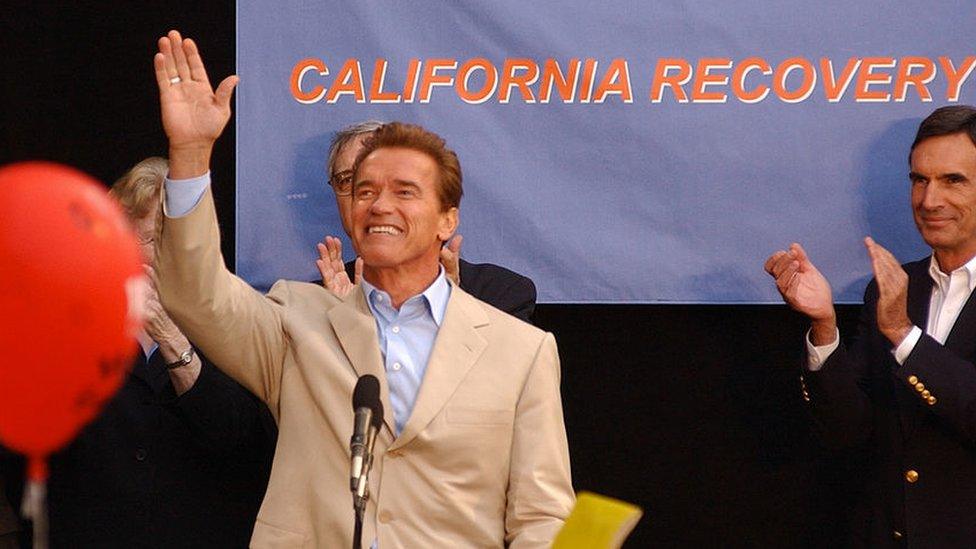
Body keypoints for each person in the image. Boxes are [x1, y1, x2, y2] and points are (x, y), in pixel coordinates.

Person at [151, 30, 574, 548]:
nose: (378, 205)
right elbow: (194, 293)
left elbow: (543, 515)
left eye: (405, 191)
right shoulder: (297, 320)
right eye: (362, 189)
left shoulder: (521, 350)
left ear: (447, 218)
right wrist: (192, 154)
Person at [9, 157, 277, 548]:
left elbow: (235, 435)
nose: (160, 258)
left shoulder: (235, 316)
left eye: (173, 241)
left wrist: (169, 335)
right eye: (146, 241)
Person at [764, 105, 976, 546]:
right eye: (919, 180)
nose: (929, 200)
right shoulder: (894, 288)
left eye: (953, 180)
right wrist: (824, 328)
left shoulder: (894, 308)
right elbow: (848, 434)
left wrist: (903, 334)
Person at [319, 121, 538, 322]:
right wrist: (349, 325)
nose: (378, 203)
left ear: (446, 219)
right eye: (348, 180)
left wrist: (449, 314)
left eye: (400, 187)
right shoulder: (309, 308)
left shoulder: (501, 296)